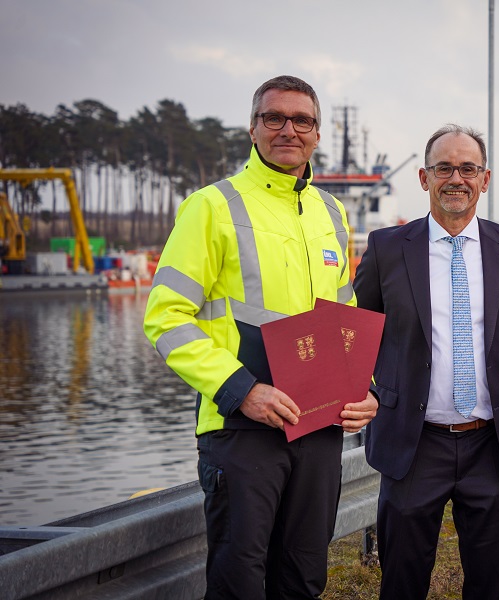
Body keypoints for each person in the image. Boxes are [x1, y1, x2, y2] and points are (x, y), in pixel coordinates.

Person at [143, 75, 378, 600]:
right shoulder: (211, 206)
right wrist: (240, 389)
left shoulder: (331, 213)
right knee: (239, 583)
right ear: (253, 128)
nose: (288, 129)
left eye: (302, 120)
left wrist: (366, 391)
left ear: (317, 134)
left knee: (303, 578)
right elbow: (165, 317)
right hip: (240, 428)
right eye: (275, 118)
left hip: (317, 430)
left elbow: (346, 317)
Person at [353, 124, 499, 599]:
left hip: (491, 445)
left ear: (485, 178)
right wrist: (382, 392)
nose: (456, 178)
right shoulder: (385, 249)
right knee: (402, 579)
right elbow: (358, 336)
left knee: (491, 582)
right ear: (424, 178)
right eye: (444, 168)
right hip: (412, 443)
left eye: (468, 168)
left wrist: (494, 388)